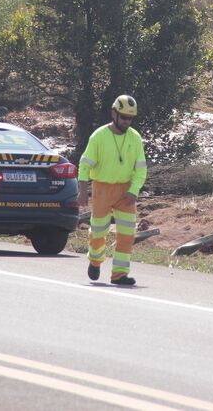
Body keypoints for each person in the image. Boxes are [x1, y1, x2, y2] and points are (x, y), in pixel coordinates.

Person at [77, 95, 147, 286]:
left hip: (126, 191)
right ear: (113, 114)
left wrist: (134, 191)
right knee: (99, 232)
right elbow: (84, 165)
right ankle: (95, 260)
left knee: (127, 234)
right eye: (124, 117)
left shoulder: (135, 137)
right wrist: (83, 190)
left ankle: (119, 274)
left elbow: (141, 169)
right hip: (102, 189)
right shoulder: (99, 136)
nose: (127, 121)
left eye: (130, 118)